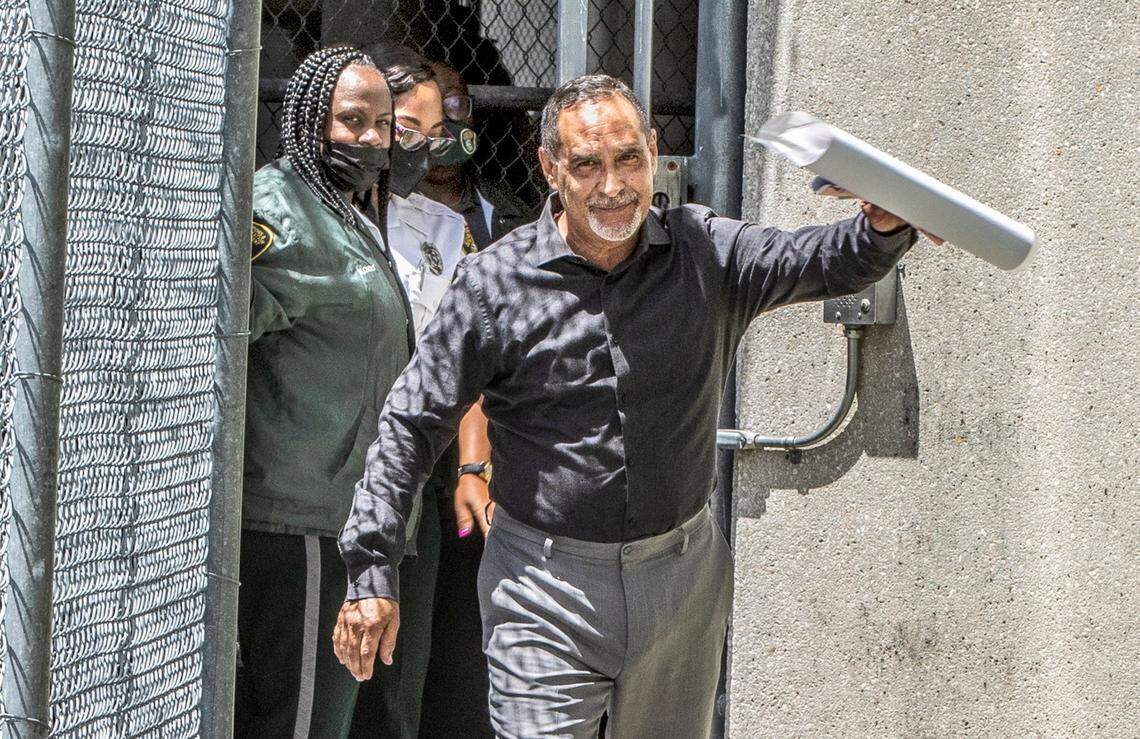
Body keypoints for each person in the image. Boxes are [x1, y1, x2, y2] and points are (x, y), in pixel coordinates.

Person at [333, 74, 918, 738]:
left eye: (628, 158)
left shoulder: (706, 253)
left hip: (680, 585)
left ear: (652, 151)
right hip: (542, 590)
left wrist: (882, 226)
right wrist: (371, 564)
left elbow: (824, 260)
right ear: (550, 167)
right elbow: (411, 423)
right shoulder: (494, 285)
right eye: (587, 164)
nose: (612, 185)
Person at [235, 46, 409, 738]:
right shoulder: (279, 208)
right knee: (299, 722)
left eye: (383, 124)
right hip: (299, 521)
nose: (370, 139)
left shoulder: (348, 212)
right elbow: (222, 326)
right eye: (352, 120)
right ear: (311, 119)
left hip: (344, 515)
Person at [343, 43, 490, 739]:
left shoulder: (444, 230)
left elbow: (466, 359)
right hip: (325, 472)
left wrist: (472, 464)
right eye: (407, 129)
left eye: (434, 133)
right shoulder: (322, 214)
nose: (421, 149)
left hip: (410, 476)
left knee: (401, 668)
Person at [414, 58, 537, 739]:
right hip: (414, 446)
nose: (445, 130)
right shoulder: (377, 215)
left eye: (456, 108)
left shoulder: (510, 216)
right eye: (428, 117)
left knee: (471, 623)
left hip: (490, 455)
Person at [415, 60, 534, 251]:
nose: (442, 119)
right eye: (428, 107)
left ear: (471, 115)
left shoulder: (503, 205)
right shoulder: (388, 205)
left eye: (455, 103)